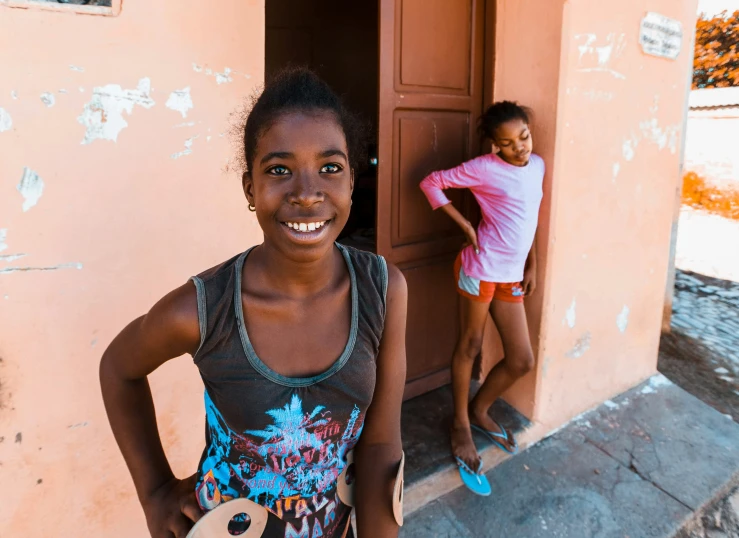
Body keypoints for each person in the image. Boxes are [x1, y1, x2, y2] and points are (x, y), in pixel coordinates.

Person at [100, 68, 407, 538]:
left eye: (330, 167)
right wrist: (156, 490)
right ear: (250, 189)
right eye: (279, 170)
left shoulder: (383, 290)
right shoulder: (203, 310)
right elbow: (118, 369)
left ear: (351, 182)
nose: (307, 193)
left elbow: (382, 443)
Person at [419, 101, 544, 493]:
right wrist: (466, 227)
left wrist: (532, 263)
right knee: (470, 345)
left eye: (523, 137)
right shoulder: (485, 168)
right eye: (507, 143)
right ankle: (460, 423)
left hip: (511, 275)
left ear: (529, 131)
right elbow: (431, 182)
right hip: (480, 269)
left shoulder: (537, 165)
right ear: (494, 145)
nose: (519, 147)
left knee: (522, 359)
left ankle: (479, 409)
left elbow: (530, 216)